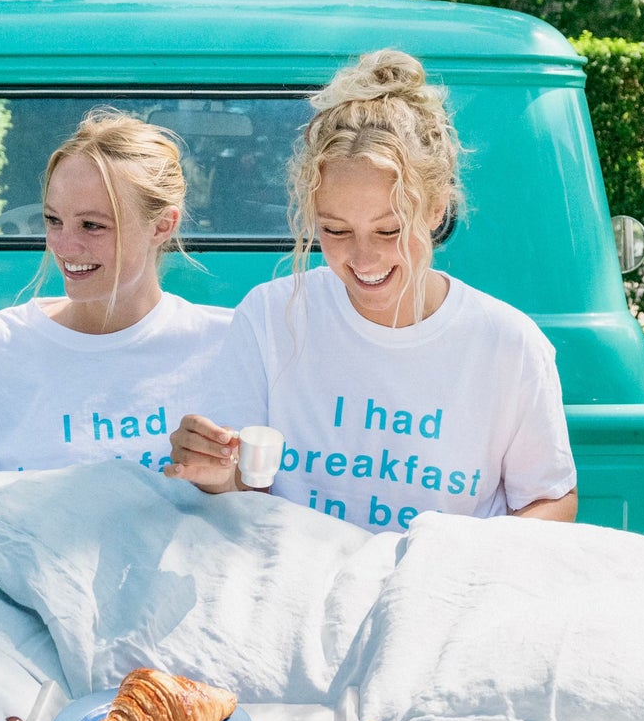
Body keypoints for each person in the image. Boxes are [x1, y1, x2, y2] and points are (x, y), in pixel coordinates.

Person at [166, 50, 577, 530]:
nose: (362, 260)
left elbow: (551, 500)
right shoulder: (270, 315)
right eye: (336, 231)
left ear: (436, 208)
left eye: (388, 231)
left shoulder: (508, 343)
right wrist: (212, 470)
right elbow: (240, 485)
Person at [0, 112, 230, 474]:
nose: (64, 247)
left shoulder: (224, 344)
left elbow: (265, 503)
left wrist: (224, 483)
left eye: (92, 225)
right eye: (53, 220)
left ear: (162, 225)